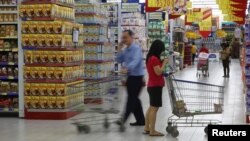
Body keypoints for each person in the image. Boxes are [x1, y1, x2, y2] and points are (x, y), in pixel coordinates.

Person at [116, 30, 145, 126]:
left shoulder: (136, 49)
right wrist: (119, 48)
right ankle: (141, 121)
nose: (124, 39)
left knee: (131, 99)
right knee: (135, 99)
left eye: (125, 37)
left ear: (131, 37)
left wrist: (127, 68)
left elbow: (136, 61)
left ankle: (123, 119)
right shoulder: (126, 50)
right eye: (122, 37)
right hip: (130, 77)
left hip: (137, 78)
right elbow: (119, 59)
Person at [144, 40, 168, 136]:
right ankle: (152, 131)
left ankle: (147, 127)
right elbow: (158, 72)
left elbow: (155, 69)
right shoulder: (154, 58)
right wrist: (165, 63)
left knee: (151, 107)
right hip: (155, 86)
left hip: (152, 85)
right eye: (161, 50)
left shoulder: (150, 58)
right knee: (154, 109)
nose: (161, 52)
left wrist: (161, 62)